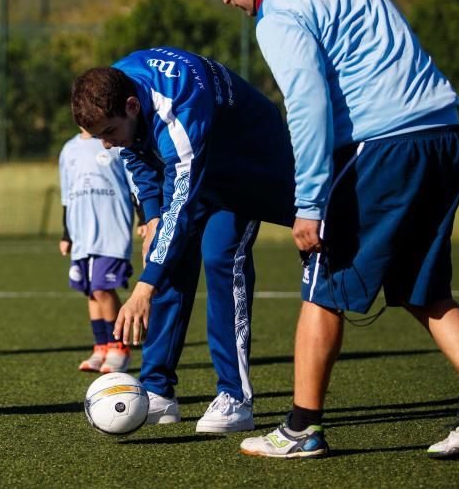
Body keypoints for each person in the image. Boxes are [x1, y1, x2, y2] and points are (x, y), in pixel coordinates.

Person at [196, 0, 459, 459]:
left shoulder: (280, 10)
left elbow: (308, 106)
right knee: (423, 286)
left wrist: (309, 202)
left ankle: (301, 429)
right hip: (443, 137)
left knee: (321, 286)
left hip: (383, 146)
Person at [71, 47, 296, 433]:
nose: (105, 144)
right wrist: (153, 217)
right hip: (190, 162)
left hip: (244, 164)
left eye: (108, 132)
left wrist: (143, 287)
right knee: (169, 258)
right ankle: (157, 391)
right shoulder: (123, 87)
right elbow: (137, 154)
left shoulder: (178, 101)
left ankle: (235, 397)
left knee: (222, 257)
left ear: (131, 106)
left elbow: (185, 190)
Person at [58, 128, 135, 374]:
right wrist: (66, 234)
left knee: (103, 289)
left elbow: (135, 185)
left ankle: (119, 347)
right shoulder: (69, 149)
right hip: (82, 237)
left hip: (111, 233)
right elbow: (67, 196)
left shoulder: (116, 142)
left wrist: (145, 219)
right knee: (91, 292)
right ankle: (101, 346)